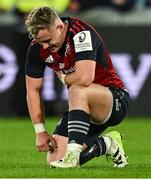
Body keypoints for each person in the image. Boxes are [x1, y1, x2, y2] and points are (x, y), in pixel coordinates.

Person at [25, 6, 130, 168]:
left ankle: (72, 157)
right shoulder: (37, 48)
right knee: (53, 160)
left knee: (77, 88)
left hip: (114, 99)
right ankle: (108, 144)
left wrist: (65, 78)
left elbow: (85, 78)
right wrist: (40, 131)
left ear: (60, 27)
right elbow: (33, 89)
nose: (44, 47)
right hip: (81, 107)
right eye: (40, 42)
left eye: (47, 41)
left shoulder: (81, 33)